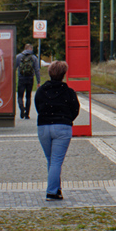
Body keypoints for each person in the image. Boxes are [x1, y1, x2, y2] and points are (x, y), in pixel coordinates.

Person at [35, 60, 79, 201]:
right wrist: (67, 119)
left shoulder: (41, 91)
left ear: (49, 73)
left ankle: (56, 189)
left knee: (51, 160)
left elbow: (38, 107)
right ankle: (52, 192)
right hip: (62, 127)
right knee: (56, 161)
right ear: (63, 74)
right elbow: (75, 109)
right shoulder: (68, 92)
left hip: (43, 127)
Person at [14, 43, 41, 120]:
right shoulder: (33, 57)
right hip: (30, 79)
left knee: (20, 96)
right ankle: (27, 115)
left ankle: (22, 108)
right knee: (28, 96)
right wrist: (38, 81)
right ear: (31, 49)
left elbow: (14, 68)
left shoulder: (18, 56)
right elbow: (37, 70)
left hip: (21, 78)